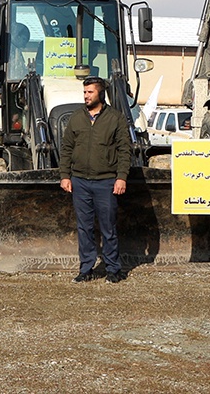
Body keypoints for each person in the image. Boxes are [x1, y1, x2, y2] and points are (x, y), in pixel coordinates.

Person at [59, 76, 132, 284]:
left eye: (90, 92)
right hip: (80, 181)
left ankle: (113, 269)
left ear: (101, 93)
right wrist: (65, 175)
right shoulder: (76, 117)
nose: (86, 96)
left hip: (106, 182)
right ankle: (86, 268)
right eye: (84, 92)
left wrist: (121, 178)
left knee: (108, 228)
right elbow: (67, 148)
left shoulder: (115, 118)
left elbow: (124, 150)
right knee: (84, 228)